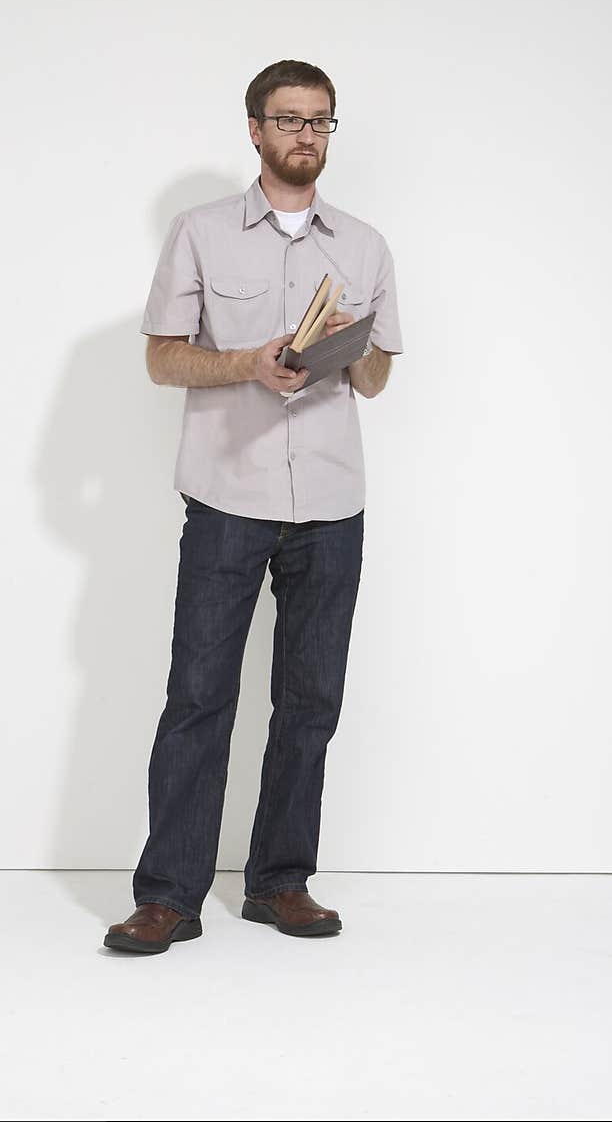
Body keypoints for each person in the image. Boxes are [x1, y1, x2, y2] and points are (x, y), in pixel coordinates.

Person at [103, 59, 404, 954]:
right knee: (198, 698)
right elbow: (162, 357)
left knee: (310, 701)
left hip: (332, 502)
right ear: (254, 129)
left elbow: (381, 377)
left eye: (319, 121)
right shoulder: (199, 233)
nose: (304, 135)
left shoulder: (366, 244)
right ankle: (169, 896)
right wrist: (247, 362)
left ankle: (281, 883)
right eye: (287, 120)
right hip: (227, 497)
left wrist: (344, 348)